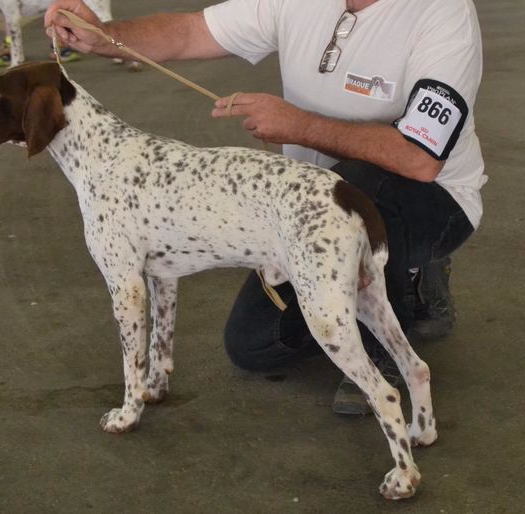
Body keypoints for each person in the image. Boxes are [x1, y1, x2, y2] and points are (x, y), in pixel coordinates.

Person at [44, 0, 486, 414]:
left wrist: (300, 126)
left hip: (432, 197)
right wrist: (104, 36)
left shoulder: (443, 14)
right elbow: (193, 31)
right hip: (300, 212)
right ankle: (366, 286)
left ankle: (397, 313)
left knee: (357, 191)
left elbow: (421, 158)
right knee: (254, 344)